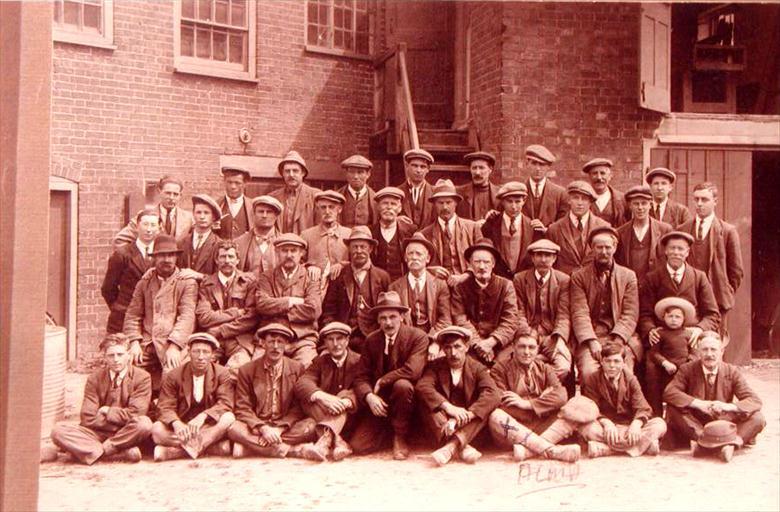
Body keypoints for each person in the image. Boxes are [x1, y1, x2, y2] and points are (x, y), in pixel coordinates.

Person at [48, 334, 152, 464]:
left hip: (126, 433)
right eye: (111, 355)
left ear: (128, 355)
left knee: (144, 423)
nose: (116, 360)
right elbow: (87, 417)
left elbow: (137, 413)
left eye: (120, 354)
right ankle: (117, 453)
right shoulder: (95, 378)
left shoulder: (142, 377)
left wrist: (107, 411)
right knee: (58, 430)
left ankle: (90, 451)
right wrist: (119, 419)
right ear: (105, 357)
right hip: (97, 433)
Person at [350, 291, 428, 460]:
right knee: (358, 446)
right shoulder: (372, 340)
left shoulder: (417, 337)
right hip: (381, 404)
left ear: (402, 316)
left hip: (407, 402)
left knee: (402, 385)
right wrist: (369, 396)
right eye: (383, 318)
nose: (388, 322)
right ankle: (388, 432)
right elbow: (360, 376)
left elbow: (413, 371)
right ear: (378, 320)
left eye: (393, 317)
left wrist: (383, 380)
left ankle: (400, 435)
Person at [664, 331, 765, 461]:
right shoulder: (687, 369)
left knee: (758, 417)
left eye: (713, 350)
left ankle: (729, 444)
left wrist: (728, 406)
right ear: (698, 352)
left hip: (723, 423)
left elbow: (754, 401)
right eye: (705, 350)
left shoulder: (732, 371)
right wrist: (698, 404)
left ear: (721, 352)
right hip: (696, 425)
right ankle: (708, 442)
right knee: (673, 410)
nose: (709, 354)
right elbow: (669, 392)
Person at [228, 323, 317, 459]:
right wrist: (264, 429)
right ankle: (294, 450)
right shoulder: (247, 370)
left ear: (286, 344)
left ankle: (250, 447)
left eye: (280, 342)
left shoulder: (297, 368)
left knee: (311, 425)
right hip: (257, 426)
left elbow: (298, 407)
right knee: (233, 428)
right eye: (271, 342)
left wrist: (279, 430)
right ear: (263, 343)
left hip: (284, 426)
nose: (275, 347)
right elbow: (242, 407)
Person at [487, 335, 581, 463]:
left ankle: (527, 451)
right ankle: (551, 450)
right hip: (513, 430)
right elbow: (503, 403)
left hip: (540, 426)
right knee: (496, 416)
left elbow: (561, 396)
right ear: (513, 347)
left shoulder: (544, 368)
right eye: (522, 347)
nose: (527, 352)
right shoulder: (500, 369)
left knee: (577, 407)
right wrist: (544, 403)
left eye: (531, 347)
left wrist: (527, 404)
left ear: (537, 349)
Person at [123, 234, 198, 392]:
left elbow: (187, 316)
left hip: (173, 342)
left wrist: (175, 346)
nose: (167, 260)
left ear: (176, 258)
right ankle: (135, 409)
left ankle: (165, 412)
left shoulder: (186, 282)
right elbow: (132, 315)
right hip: (147, 341)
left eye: (171, 255)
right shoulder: (145, 282)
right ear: (154, 258)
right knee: (126, 367)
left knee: (171, 372)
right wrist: (134, 341)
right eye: (162, 255)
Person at [416, 326, 500, 466]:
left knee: (486, 408)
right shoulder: (436, 366)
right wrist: (448, 408)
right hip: (441, 425)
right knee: (426, 401)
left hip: (468, 427)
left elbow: (493, 394)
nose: (453, 353)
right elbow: (422, 386)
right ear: (443, 349)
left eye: (457, 346)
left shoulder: (477, 368)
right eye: (448, 348)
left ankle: (451, 447)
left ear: (466, 347)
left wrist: (468, 415)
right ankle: (462, 447)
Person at [151, 333, 235, 461]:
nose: (201, 357)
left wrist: (203, 416)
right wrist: (177, 423)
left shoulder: (222, 373)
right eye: (196, 351)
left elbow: (225, 403)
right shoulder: (173, 375)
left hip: (208, 425)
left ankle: (173, 452)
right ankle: (213, 447)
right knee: (157, 429)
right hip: (183, 427)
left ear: (213, 355)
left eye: (205, 352)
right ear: (189, 352)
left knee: (228, 418)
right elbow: (164, 406)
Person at [570, 226, 641, 378]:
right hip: (593, 337)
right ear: (592, 248)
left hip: (620, 337)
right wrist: (591, 341)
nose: (603, 252)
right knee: (590, 373)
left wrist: (618, 339)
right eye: (599, 247)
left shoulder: (628, 276)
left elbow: (630, 313)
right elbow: (579, 313)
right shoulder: (579, 277)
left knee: (624, 374)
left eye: (607, 247)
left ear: (614, 247)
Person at [678, 182, 744, 342]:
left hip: (716, 300)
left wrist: (724, 291)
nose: (699, 204)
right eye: (696, 199)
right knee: (689, 345)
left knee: (714, 345)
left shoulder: (727, 231)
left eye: (704, 199)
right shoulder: (682, 229)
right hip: (689, 301)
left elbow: (736, 272)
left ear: (715, 201)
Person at [579, 342, 667, 458]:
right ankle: (642, 446)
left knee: (660, 424)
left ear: (623, 363)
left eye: (616, 361)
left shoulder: (630, 379)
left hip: (629, 427)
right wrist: (606, 423)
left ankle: (606, 449)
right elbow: (591, 408)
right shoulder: (593, 379)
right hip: (605, 428)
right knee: (585, 428)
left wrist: (636, 424)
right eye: (608, 361)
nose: (612, 366)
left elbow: (643, 407)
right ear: (601, 361)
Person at [293, 322, 363, 462]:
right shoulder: (320, 362)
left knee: (343, 397)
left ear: (347, 340)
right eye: (330, 339)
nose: (335, 344)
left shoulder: (359, 361)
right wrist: (323, 397)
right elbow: (302, 383)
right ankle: (337, 441)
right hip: (324, 412)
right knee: (309, 398)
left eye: (340, 339)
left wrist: (346, 401)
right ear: (325, 342)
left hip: (349, 416)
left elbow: (363, 387)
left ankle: (325, 442)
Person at [638, 231, 721, 349]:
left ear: (687, 252)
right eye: (672, 248)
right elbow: (645, 313)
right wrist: (650, 329)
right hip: (663, 337)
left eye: (680, 249)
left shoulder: (699, 277)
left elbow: (712, 314)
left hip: (692, 336)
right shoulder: (653, 278)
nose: (676, 253)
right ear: (665, 251)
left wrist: (700, 329)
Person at [254, 233, 321, 368]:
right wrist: (291, 301)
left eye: (293, 251)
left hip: (302, 338)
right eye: (285, 250)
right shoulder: (266, 277)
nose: (289, 255)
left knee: (307, 368)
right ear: (277, 252)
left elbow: (313, 310)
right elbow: (262, 305)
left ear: (301, 253)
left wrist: (276, 307)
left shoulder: (310, 278)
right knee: (257, 369)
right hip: (271, 337)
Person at [321, 226, 391, 352]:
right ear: (349, 249)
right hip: (344, 336)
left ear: (370, 249)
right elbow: (328, 312)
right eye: (355, 247)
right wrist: (333, 333)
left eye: (363, 247)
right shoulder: (339, 276)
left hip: (374, 336)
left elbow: (388, 312)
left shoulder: (382, 277)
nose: (359, 251)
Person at [451, 239, 519, 365]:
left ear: (493, 264)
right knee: (469, 368)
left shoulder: (506, 286)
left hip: (500, 344)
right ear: (470, 265)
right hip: (471, 344)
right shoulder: (460, 288)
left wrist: (491, 342)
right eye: (477, 262)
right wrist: (478, 344)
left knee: (502, 369)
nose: (482, 267)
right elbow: (460, 319)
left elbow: (510, 319)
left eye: (486, 262)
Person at [195, 240, 259, 374]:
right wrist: (236, 312)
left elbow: (251, 317)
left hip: (240, 341)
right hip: (213, 342)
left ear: (237, 260)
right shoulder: (207, 284)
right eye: (222, 257)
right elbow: (204, 318)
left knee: (236, 371)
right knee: (198, 369)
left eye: (231, 257)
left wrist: (221, 329)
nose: (227, 261)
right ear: (216, 260)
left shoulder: (249, 282)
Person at [512, 239, 572, 382]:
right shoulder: (520, 279)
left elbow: (564, 314)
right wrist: (528, 334)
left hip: (551, 336)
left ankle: (537, 386)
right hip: (528, 334)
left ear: (554, 258)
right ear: (532, 258)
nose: (543, 260)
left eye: (547, 255)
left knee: (563, 366)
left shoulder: (563, 280)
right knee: (516, 364)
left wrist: (559, 338)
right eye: (539, 255)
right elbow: (518, 311)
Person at [388, 232, 452, 360]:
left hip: (432, 339)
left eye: (418, 254)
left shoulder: (440, 285)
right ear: (405, 258)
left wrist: (435, 342)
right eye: (410, 254)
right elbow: (394, 321)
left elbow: (445, 319)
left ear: (427, 258)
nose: (414, 257)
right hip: (407, 341)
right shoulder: (395, 287)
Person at [101, 208, 160, 334]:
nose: (149, 229)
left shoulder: (162, 255)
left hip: (153, 318)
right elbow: (107, 288)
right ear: (137, 227)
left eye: (153, 225)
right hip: (124, 316)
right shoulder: (122, 254)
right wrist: (119, 307)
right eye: (145, 224)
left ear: (159, 228)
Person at [420, 179, 480, 286]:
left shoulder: (472, 228)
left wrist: (466, 275)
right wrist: (429, 270)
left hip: (468, 284)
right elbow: (416, 262)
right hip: (438, 287)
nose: (445, 207)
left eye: (448, 202)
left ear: (456, 203)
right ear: (434, 204)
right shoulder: (424, 234)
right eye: (440, 203)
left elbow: (482, 257)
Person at [645, 297, 698, 416]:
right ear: (664, 317)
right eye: (670, 316)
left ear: (684, 319)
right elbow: (654, 353)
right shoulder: (660, 333)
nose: (674, 320)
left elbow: (694, 352)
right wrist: (665, 363)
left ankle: (683, 413)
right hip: (666, 370)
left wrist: (689, 363)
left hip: (684, 370)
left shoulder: (689, 334)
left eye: (677, 317)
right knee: (657, 388)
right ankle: (657, 414)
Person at [546, 180, 611, 275]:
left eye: (584, 199)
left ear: (590, 202)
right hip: (566, 285)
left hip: (594, 282)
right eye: (576, 198)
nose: (579, 203)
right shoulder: (554, 229)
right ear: (569, 200)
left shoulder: (603, 227)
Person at [113, 175, 193, 248]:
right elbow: (119, 240)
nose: (171, 197)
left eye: (175, 194)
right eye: (168, 193)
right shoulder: (145, 216)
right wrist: (138, 259)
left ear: (180, 195)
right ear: (159, 192)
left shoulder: (189, 218)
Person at [615, 185, 672, 282]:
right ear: (630, 206)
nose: (640, 208)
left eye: (644, 203)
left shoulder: (665, 230)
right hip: (629, 285)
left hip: (655, 286)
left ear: (650, 205)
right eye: (636, 204)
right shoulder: (620, 232)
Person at [479, 181, 535, 278]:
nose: (513, 206)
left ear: (524, 201)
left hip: (523, 280)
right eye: (509, 201)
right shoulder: (491, 224)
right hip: (497, 279)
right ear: (503, 202)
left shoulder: (532, 226)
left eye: (517, 201)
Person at [300, 190, 351, 287]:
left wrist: (342, 265)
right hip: (314, 287)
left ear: (339, 209)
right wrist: (309, 266)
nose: (327, 211)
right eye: (323, 207)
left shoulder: (349, 234)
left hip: (342, 287)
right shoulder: (306, 235)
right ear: (318, 209)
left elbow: (358, 261)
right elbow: (297, 262)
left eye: (331, 207)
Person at [370, 186, 417, 281]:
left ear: (399, 208)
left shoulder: (411, 231)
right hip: (377, 282)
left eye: (393, 204)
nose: (389, 207)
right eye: (385, 203)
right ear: (378, 207)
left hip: (402, 283)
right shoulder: (370, 232)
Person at [270, 150, 322, 234]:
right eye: (287, 171)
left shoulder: (316, 196)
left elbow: (321, 227)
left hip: (306, 245)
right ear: (282, 174)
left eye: (295, 171)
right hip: (281, 245)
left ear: (303, 173)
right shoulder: (273, 198)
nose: (291, 175)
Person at [522, 144, 568, 235]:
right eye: (534, 163)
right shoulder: (519, 190)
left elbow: (563, 224)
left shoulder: (560, 193)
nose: (538, 168)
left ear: (548, 167)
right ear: (527, 164)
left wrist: (547, 230)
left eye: (542, 165)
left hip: (549, 243)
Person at [234, 195, 283, 274]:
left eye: (269, 212)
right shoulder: (238, 243)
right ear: (253, 214)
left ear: (276, 216)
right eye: (260, 211)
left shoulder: (284, 242)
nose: (264, 215)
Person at [176, 194, 222, 276]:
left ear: (214, 217)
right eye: (198, 212)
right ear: (193, 215)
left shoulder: (219, 245)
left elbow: (220, 277)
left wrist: (198, 276)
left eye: (206, 213)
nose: (202, 217)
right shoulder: (181, 243)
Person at [582, 158, 629, 227]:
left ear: (610, 176)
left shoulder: (623, 200)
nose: (599, 178)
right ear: (589, 176)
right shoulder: (582, 199)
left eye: (602, 173)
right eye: (594, 173)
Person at [455, 151, 500, 222]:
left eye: (481, 168)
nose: (477, 172)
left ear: (490, 169)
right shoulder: (459, 193)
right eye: (474, 168)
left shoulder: (500, 194)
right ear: (470, 169)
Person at [398, 148, 435, 228]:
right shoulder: (397, 192)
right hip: (403, 239)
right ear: (407, 166)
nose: (418, 170)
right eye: (415, 166)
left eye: (423, 167)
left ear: (428, 169)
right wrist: (395, 219)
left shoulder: (435, 193)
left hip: (427, 239)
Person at [337, 154, 376, 227]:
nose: (355, 177)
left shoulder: (376, 200)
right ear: (346, 174)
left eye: (360, 172)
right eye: (351, 172)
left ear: (368, 174)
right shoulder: (337, 197)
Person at [215, 165, 252, 240]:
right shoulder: (216, 205)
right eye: (229, 182)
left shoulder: (253, 206)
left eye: (237, 183)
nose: (233, 186)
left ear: (245, 184)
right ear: (224, 182)